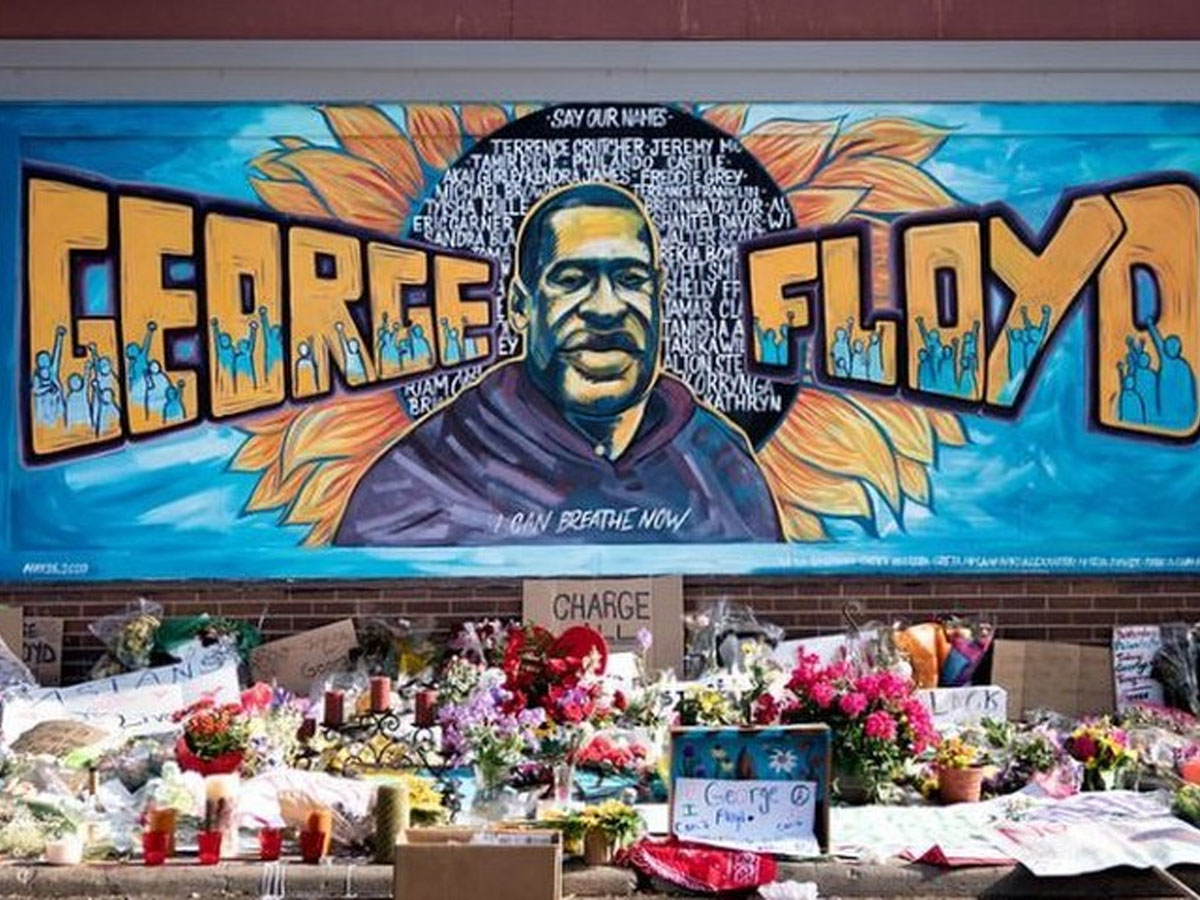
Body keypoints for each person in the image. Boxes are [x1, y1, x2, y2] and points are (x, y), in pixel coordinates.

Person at [335, 182, 782, 546]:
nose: (606, 309)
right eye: (571, 280)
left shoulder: (720, 464)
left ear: (659, 296)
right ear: (519, 306)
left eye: (631, 279)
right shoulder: (423, 478)